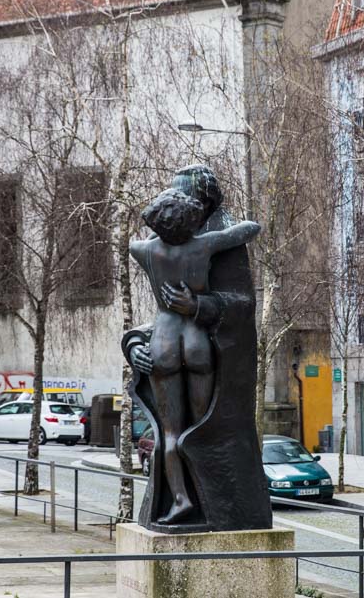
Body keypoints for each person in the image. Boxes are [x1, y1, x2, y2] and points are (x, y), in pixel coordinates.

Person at [129, 188, 260, 525]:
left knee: (171, 433)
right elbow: (249, 229)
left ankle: (181, 499)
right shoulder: (204, 245)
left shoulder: (143, 250)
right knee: (202, 429)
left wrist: (161, 228)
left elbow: (135, 240)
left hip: (165, 341)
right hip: (197, 341)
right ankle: (207, 494)